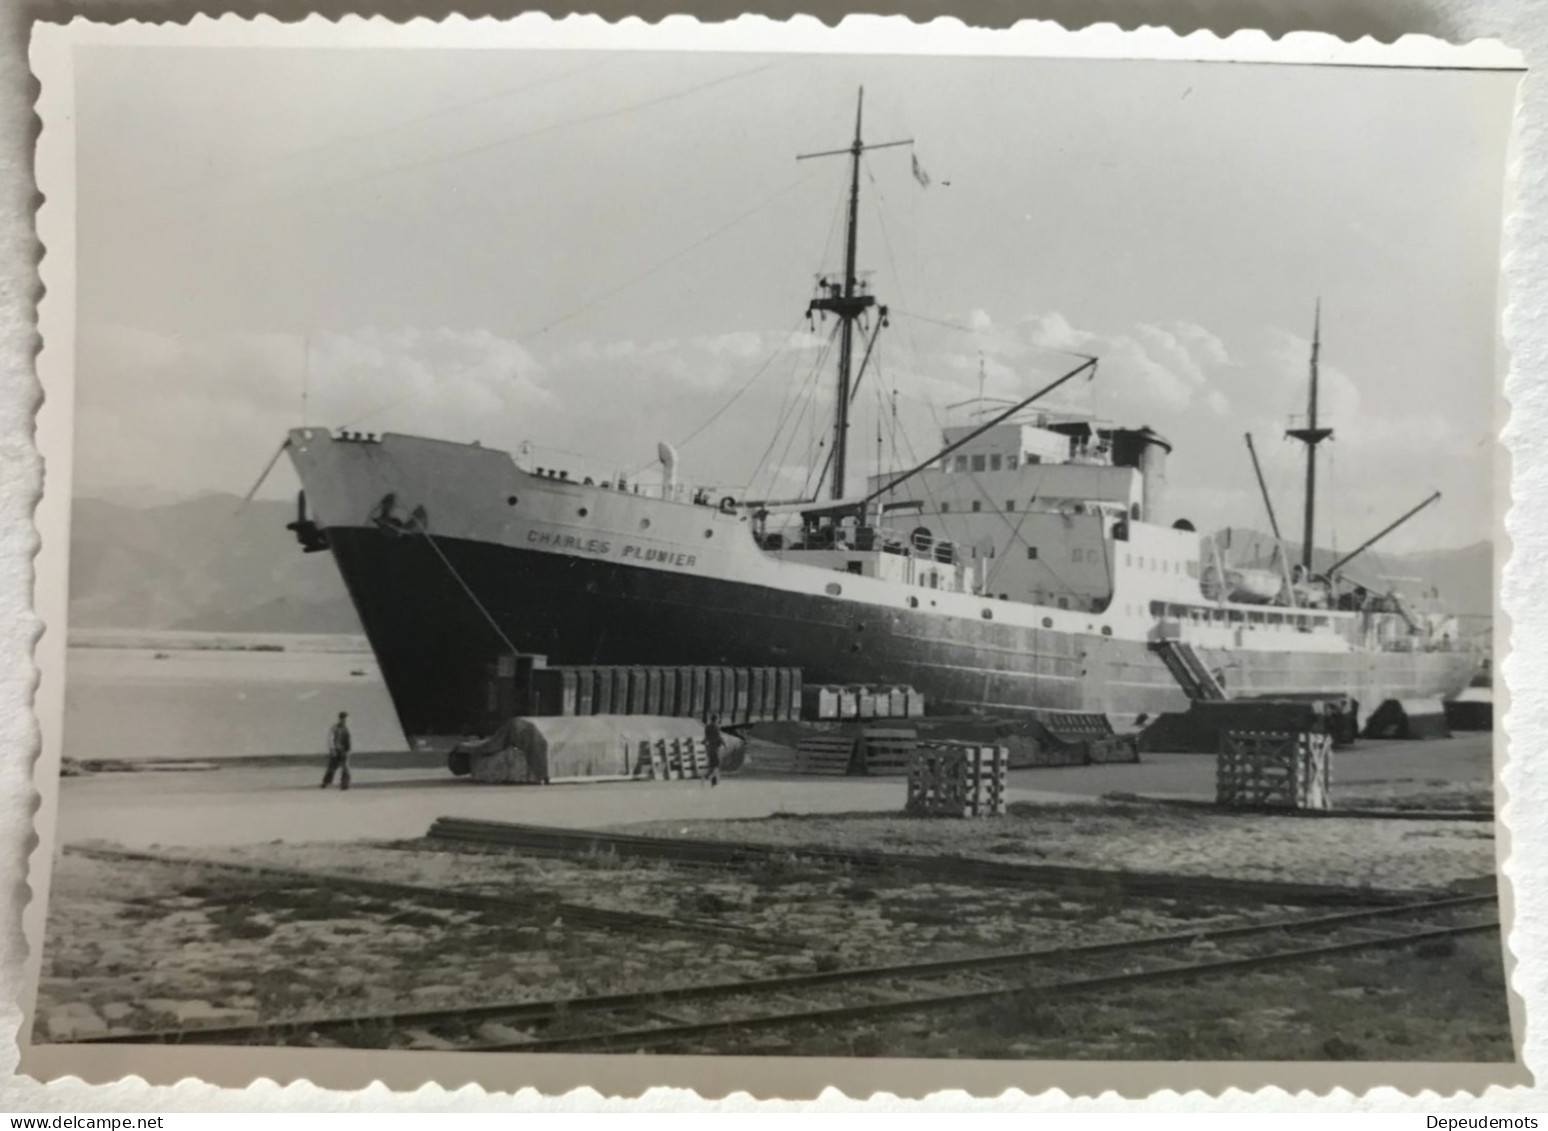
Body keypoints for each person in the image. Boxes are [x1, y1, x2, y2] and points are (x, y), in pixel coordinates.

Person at [321, 711, 352, 791]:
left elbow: (348, 740)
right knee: (332, 767)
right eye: (344, 719)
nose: (345, 721)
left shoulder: (346, 728)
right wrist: (332, 749)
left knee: (345, 768)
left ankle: (344, 784)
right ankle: (326, 782)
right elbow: (330, 739)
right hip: (336, 750)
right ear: (340, 719)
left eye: (346, 719)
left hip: (344, 751)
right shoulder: (334, 728)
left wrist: (348, 750)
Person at [703, 714, 724, 788]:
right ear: (716, 719)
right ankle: (712, 779)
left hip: (709, 748)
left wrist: (704, 742)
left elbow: (706, 737)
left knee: (712, 763)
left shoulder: (707, 727)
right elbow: (719, 737)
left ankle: (710, 778)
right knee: (716, 764)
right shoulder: (716, 727)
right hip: (715, 748)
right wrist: (724, 744)